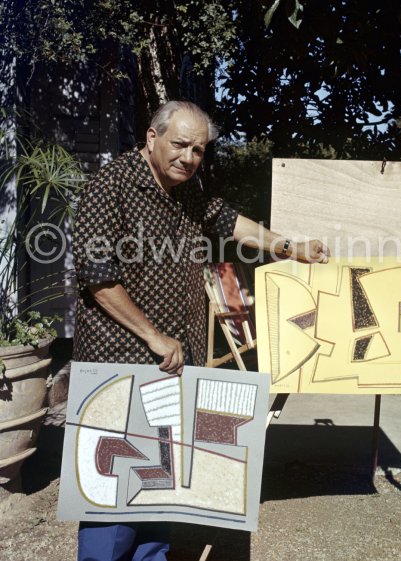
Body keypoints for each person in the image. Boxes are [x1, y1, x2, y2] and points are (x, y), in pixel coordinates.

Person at [72, 100, 330, 561]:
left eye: (199, 149)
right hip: (121, 366)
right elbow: (97, 278)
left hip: (175, 364)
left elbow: (230, 221)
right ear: (152, 138)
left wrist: (290, 247)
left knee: (158, 489)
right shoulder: (106, 189)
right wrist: (153, 335)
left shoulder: (187, 190)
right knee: (114, 495)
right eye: (180, 145)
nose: (189, 157)